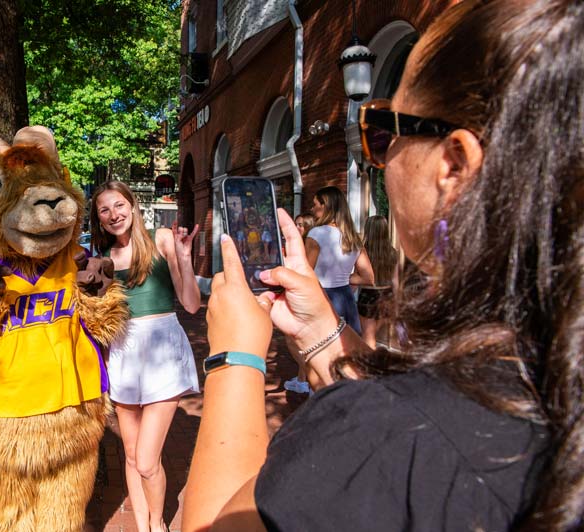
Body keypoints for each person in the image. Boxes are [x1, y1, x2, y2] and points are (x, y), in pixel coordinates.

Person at [183, 0, 582, 530]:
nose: (380, 154)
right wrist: (323, 334)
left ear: (454, 164)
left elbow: (214, 521)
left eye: (382, 129)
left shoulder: (384, 438)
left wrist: (235, 354)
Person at [91, 180, 201, 532]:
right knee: (133, 454)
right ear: (99, 218)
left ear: (133, 205)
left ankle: (157, 524)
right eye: (105, 210)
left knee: (148, 460)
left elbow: (191, 303)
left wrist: (184, 259)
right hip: (124, 352)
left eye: (119, 205)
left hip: (163, 349)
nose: (114, 215)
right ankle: (142, 525)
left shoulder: (161, 240)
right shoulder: (103, 260)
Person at [306, 186, 374, 336]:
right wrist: (342, 278)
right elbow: (368, 277)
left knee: (319, 347)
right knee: (348, 347)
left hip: (323, 296)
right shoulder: (353, 237)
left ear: (325, 206)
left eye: (315, 204)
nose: (312, 209)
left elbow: (306, 273)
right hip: (345, 297)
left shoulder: (316, 233)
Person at [283, 213, 316, 394]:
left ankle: (310, 375)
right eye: (296, 224)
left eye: (301, 225)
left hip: (303, 296)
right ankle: (303, 379)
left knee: (294, 339)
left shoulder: (309, 247)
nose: (298, 228)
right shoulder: (299, 245)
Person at [357, 215, 398, 349]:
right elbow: (395, 280)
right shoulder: (393, 253)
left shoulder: (363, 253)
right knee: (373, 335)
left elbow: (358, 277)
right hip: (387, 295)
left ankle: (368, 368)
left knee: (368, 338)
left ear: (368, 230)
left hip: (368, 296)